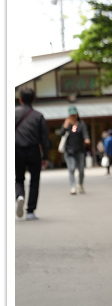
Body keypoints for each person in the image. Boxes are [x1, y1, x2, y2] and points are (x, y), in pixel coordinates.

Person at [15, 86, 50, 220]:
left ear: (20, 99)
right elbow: (44, 138)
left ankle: (20, 196)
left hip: (16, 150)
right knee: (34, 180)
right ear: (33, 99)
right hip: (34, 150)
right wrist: (45, 156)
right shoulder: (38, 116)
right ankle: (30, 211)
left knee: (18, 178)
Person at [59, 107, 91, 195]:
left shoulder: (81, 124)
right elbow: (61, 134)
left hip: (79, 150)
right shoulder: (66, 123)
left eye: (74, 115)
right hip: (69, 151)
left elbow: (85, 133)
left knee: (81, 170)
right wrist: (65, 126)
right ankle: (72, 186)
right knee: (71, 169)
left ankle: (80, 185)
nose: (73, 116)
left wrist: (86, 139)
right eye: (71, 115)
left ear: (77, 115)